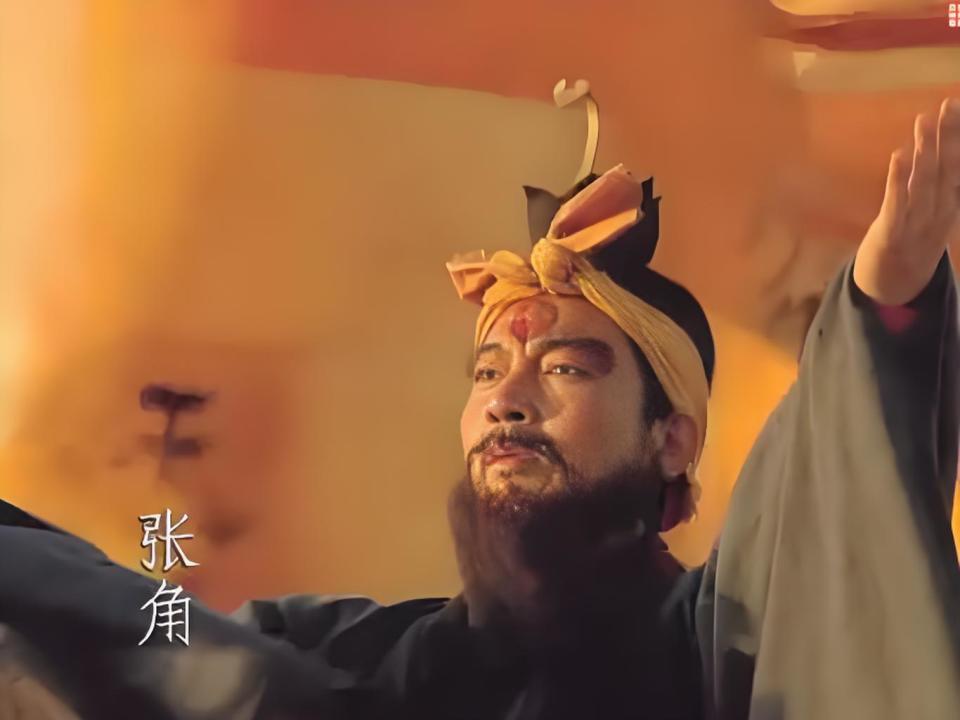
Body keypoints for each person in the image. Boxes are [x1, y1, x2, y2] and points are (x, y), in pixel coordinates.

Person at [1, 98, 958, 720]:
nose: (506, 400)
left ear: (671, 439)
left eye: (566, 368)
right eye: (488, 369)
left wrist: (881, 306)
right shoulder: (372, 652)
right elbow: (150, 633)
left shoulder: (716, 645)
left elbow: (812, 502)